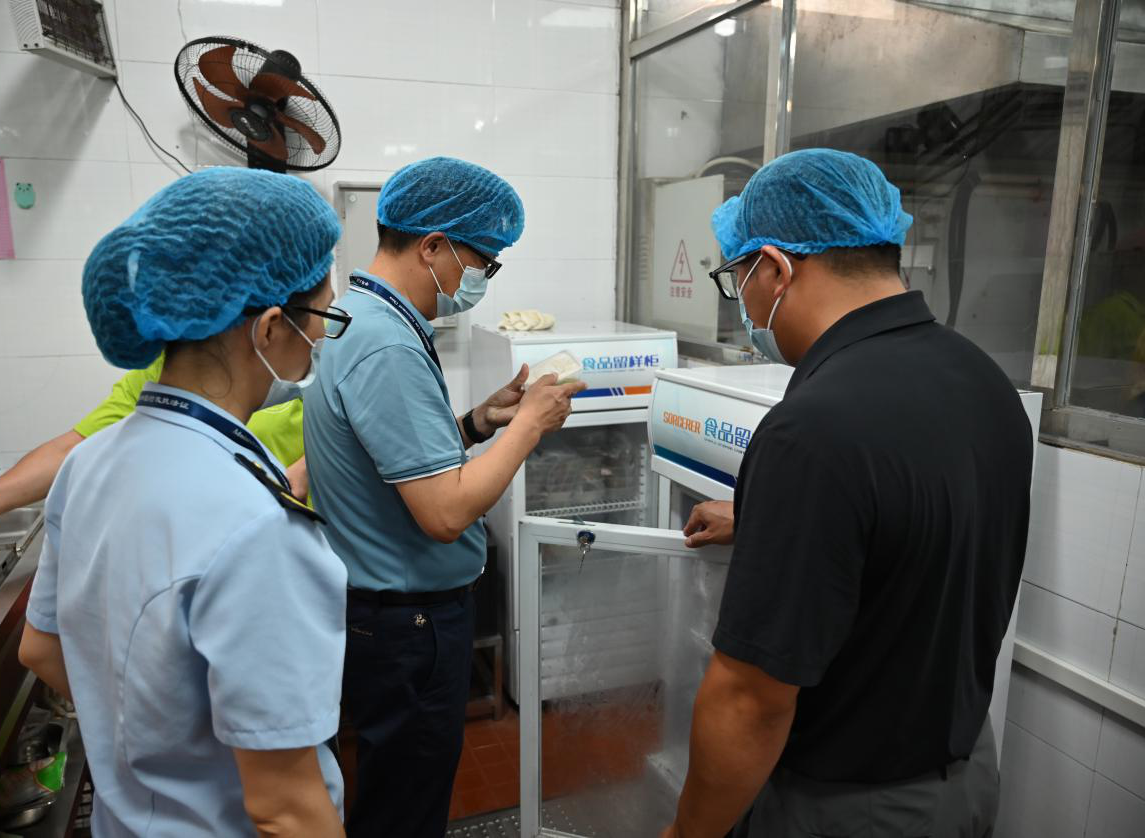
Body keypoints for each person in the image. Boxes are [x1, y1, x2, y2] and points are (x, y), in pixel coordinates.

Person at [664, 149, 1033, 838]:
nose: (743, 303)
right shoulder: (984, 381)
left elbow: (750, 701)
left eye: (737, 277)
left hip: (849, 808)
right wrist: (770, 521)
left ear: (775, 269)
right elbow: (918, 523)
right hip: (965, 776)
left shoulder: (811, 430)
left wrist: (685, 834)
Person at [18, 167, 350, 836]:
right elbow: (286, 808)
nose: (323, 340)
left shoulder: (89, 463)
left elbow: (40, 649)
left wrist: (149, 740)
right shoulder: (256, 524)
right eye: (323, 318)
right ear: (270, 328)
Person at [304, 156, 587, 838]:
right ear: (433, 246)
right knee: (404, 810)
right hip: (409, 626)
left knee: (391, 792)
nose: (483, 279)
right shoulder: (386, 345)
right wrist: (529, 426)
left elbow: (393, 459)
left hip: (382, 616)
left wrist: (479, 422)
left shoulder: (360, 316)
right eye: (483, 261)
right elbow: (446, 512)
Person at [0, 358, 309, 537]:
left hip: (293, 549)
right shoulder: (164, 373)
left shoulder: (317, 366)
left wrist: (300, 475)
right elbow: (71, 451)